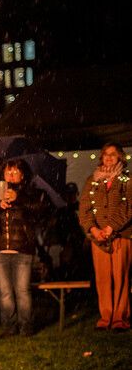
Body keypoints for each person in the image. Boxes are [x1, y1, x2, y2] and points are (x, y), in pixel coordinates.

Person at [0, 159, 48, 337]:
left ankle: (26, 326)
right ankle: (9, 326)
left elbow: (41, 209)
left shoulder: (31, 192)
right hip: (0, 250)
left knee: (22, 290)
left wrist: (20, 199)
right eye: (8, 172)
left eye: (15, 172)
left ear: (22, 174)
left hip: (23, 249)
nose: (11, 175)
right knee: (5, 292)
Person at [78, 142, 132, 332]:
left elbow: (128, 207)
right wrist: (93, 229)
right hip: (98, 238)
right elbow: (84, 210)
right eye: (106, 154)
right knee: (103, 278)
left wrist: (111, 227)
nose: (109, 157)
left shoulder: (126, 181)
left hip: (121, 236)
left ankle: (120, 317)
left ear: (120, 158)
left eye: (113, 154)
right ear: (101, 157)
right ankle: (106, 315)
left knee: (121, 277)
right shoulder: (91, 181)